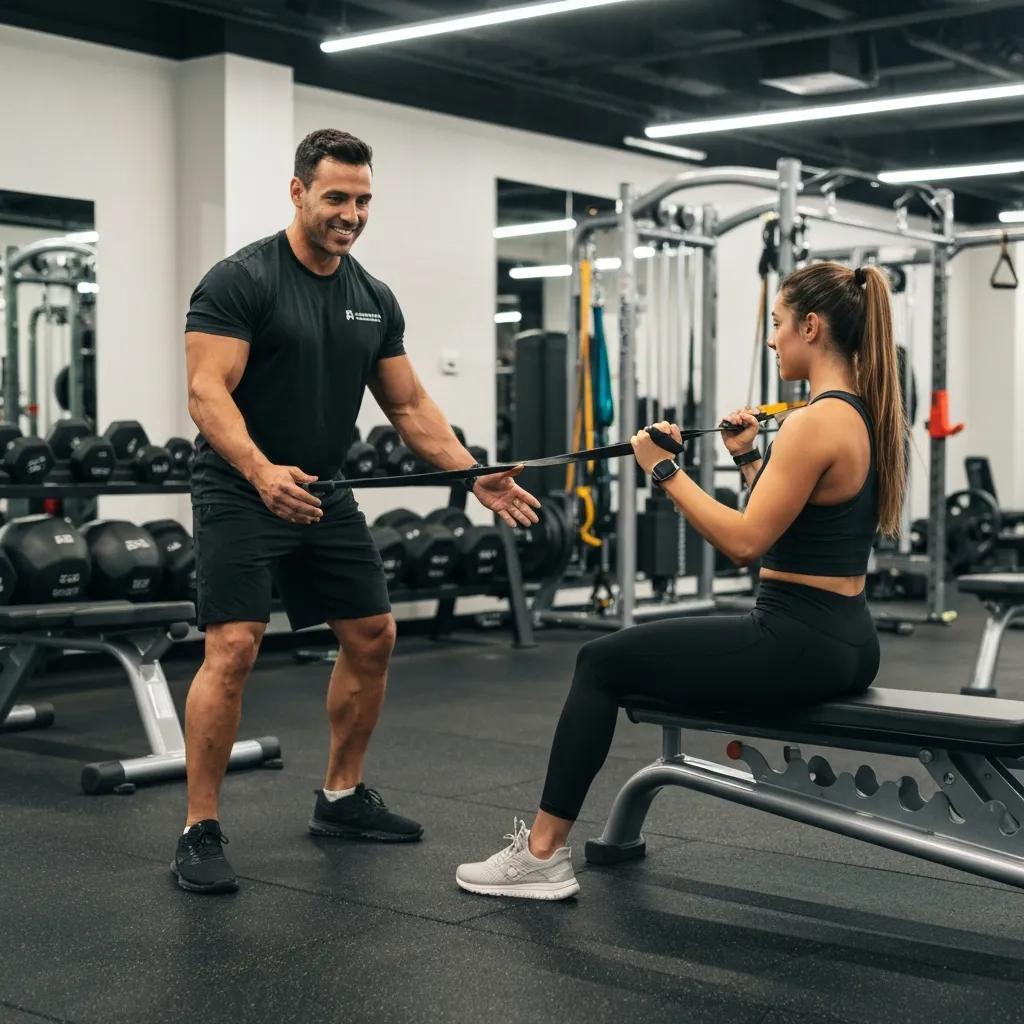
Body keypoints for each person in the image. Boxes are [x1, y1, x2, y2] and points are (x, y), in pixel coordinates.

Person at [456, 261, 907, 900]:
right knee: (619, 657)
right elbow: (786, 527)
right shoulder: (859, 414)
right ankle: (545, 849)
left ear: (810, 326)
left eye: (778, 324)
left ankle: (541, 856)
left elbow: (745, 541)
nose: (772, 338)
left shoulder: (812, 423)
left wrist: (664, 472)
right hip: (848, 640)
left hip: (798, 639)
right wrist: (748, 457)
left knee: (599, 662)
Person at [174, 128, 540, 894]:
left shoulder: (372, 298)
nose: (351, 213)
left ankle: (341, 797)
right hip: (241, 487)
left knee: (373, 635)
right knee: (234, 647)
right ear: (299, 192)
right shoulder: (240, 280)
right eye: (336, 196)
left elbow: (408, 406)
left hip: (326, 489)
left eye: (363, 199)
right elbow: (207, 393)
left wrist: (473, 472)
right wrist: (260, 469)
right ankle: (199, 827)